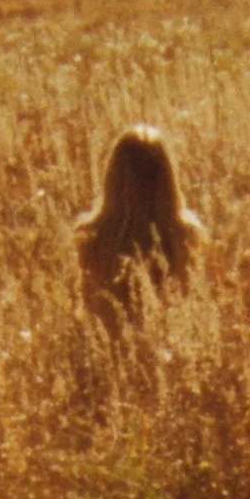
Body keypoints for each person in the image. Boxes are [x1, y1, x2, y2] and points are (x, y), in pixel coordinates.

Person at [75, 125, 204, 341]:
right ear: (167, 178)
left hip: (107, 348)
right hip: (167, 348)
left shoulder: (91, 236)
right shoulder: (184, 234)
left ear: (113, 177)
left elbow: (85, 307)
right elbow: (188, 300)